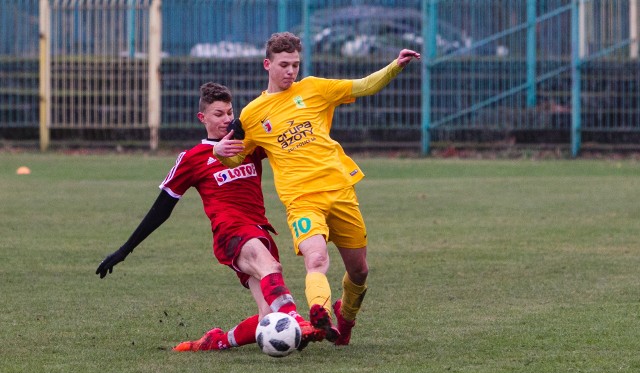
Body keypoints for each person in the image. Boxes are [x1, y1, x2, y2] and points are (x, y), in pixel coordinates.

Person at [95, 82, 336, 352]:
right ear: (203, 118)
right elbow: (163, 207)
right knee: (271, 268)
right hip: (230, 232)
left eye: (230, 113)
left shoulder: (248, 146)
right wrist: (124, 250)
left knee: (268, 316)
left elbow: (284, 143)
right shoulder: (193, 157)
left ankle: (217, 340)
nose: (227, 119)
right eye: (219, 114)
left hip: (260, 230)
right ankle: (297, 321)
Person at [213, 32, 421, 345]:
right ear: (267, 64)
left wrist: (395, 66)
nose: (291, 71)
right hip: (301, 200)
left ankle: (344, 319)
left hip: (340, 191)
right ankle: (318, 312)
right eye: (284, 64)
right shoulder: (252, 114)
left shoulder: (314, 88)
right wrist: (219, 153)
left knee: (360, 271)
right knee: (316, 259)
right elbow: (238, 157)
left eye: (295, 64)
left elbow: (363, 85)